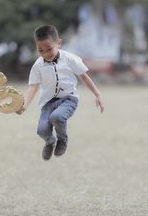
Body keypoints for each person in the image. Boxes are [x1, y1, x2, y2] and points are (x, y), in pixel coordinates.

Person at [17, 25, 104, 160]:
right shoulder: (38, 65)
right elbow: (33, 86)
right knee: (41, 130)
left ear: (59, 43)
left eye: (49, 49)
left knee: (56, 117)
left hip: (68, 99)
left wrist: (97, 94)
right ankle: (50, 142)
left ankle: (62, 139)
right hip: (48, 102)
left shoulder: (70, 59)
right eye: (40, 50)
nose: (45, 53)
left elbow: (84, 76)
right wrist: (24, 105)